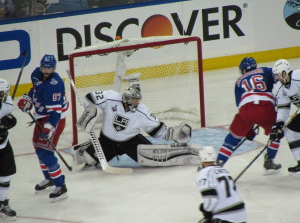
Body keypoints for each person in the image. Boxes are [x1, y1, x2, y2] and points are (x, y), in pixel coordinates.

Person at [72, 84, 194, 169]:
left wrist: (173, 134)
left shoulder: (141, 111)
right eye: (134, 100)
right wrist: (90, 111)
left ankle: (182, 153)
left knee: (153, 159)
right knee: (88, 160)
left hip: (131, 142)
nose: (137, 102)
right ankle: (86, 147)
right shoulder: (111, 97)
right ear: (127, 97)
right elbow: (90, 97)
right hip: (107, 141)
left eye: (138, 100)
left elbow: (156, 129)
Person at [17, 54, 69, 202]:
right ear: (40, 66)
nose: (46, 70)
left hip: (54, 118)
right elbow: (35, 89)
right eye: (44, 67)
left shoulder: (55, 84)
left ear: (54, 68)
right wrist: (27, 99)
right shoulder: (35, 73)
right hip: (42, 116)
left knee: (46, 152)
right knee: (38, 148)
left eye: (49, 68)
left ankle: (61, 186)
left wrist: (49, 128)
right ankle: (49, 179)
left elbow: (55, 113)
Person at [216, 57, 281, 173]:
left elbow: (241, 105)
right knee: (276, 133)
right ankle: (269, 160)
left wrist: (248, 129)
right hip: (266, 108)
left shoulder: (239, 81)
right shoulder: (265, 70)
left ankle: (217, 165)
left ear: (244, 70)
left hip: (246, 110)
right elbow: (278, 80)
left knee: (232, 139)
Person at [196, 146, 247, 223]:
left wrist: (204, 209)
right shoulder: (224, 170)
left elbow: (210, 200)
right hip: (241, 213)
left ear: (201, 159)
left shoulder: (204, 173)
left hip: (225, 215)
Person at [271, 59, 300, 175]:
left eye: (277, 75)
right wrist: (279, 125)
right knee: (289, 131)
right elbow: (283, 108)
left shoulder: (298, 76)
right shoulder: (280, 88)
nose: (276, 78)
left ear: (284, 73)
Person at [0, 79, 17, 219]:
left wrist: (10, 121)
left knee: (6, 175)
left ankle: (2, 203)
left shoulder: (7, 103)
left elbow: (8, 117)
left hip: (3, 144)